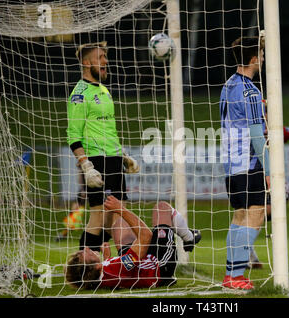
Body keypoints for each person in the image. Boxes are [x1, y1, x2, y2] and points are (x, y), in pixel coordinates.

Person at [66, 41, 140, 252]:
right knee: (98, 213)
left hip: (114, 157)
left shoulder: (104, 90)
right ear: (88, 62)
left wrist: (123, 155)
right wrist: (86, 166)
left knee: (118, 212)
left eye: (105, 57)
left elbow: (108, 129)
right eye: (101, 58)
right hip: (96, 161)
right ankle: (83, 264)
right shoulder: (79, 94)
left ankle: (113, 263)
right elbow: (73, 136)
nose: (106, 61)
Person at [219, 36, 270, 290]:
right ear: (252, 59)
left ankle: (231, 274)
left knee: (240, 216)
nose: (262, 59)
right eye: (260, 54)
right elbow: (257, 137)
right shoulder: (250, 90)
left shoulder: (228, 85)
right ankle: (237, 276)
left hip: (230, 165)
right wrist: (270, 170)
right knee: (256, 214)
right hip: (248, 164)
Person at [64, 196, 202, 289]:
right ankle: (189, 238)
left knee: (119, 225)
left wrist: (107, 258)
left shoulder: (101, 277)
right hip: (159, 265)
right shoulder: (115, 268)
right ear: (96, 267)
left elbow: (119, 274)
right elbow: (146, 237)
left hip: (138, 266)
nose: (86, 249)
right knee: (162, 209)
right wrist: (120, 209)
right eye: (83, 254)